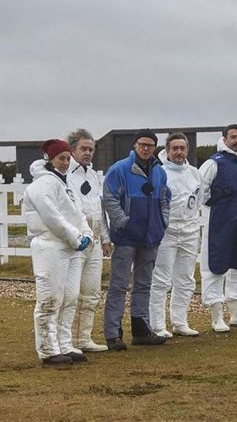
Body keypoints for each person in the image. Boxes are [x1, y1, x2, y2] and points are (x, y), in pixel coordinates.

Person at [23, 139, 93, 365]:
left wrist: (87, 234)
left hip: (71, 248)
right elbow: (53, 218)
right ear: (50, 159)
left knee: (70, 297)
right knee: (50, 299)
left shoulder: (66, 183)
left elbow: (78, 212)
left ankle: (64, 344)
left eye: (66, 158)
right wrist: (75, 237)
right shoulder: (41, 186)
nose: (64, 163)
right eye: (60, 158)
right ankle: (47, 349)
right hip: (50, 247)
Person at [102, 129, 170, 350]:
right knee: (118, 286)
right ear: (134, 145)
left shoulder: (159, 171)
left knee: (144, 285)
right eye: (142, 144)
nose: (146, 148)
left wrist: (163, 222)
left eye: (150, 145)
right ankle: (113, 334)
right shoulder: (119, 170)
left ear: (154, 147)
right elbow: (109, 198)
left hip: (150, 237)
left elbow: (164, 198)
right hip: (126, 238)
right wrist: (122, 221)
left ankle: (141, 330)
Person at [199, 124, 237, 332]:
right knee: (216, 263)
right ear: (224, 139)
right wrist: (216, 204)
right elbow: (201, 190)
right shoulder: (213, 163)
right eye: (233, 137)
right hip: (220, 219)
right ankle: (217, 316)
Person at [149, 133, 203, 337]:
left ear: (187, 150)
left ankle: (180, 321)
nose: (179, 152)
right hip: (166, 233)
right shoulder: (159, 172)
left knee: (186, 279)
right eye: (175, 148)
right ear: (167, 150)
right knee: (161, 279)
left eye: (182, 148)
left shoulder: (196, 174)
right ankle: (157, 325)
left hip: (189, 232)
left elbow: (198, 199)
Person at [62, 129, 110, 354]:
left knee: (91, 292)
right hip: (75, 242)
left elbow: (100, 209)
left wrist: (105, 238)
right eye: (83, 149)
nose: (88, 153)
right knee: (69, 294)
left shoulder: (93, 176)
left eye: (91, 149)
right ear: (72, 150)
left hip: (96, 242)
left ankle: (84, 338)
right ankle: (64, 340)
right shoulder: (63, 175)